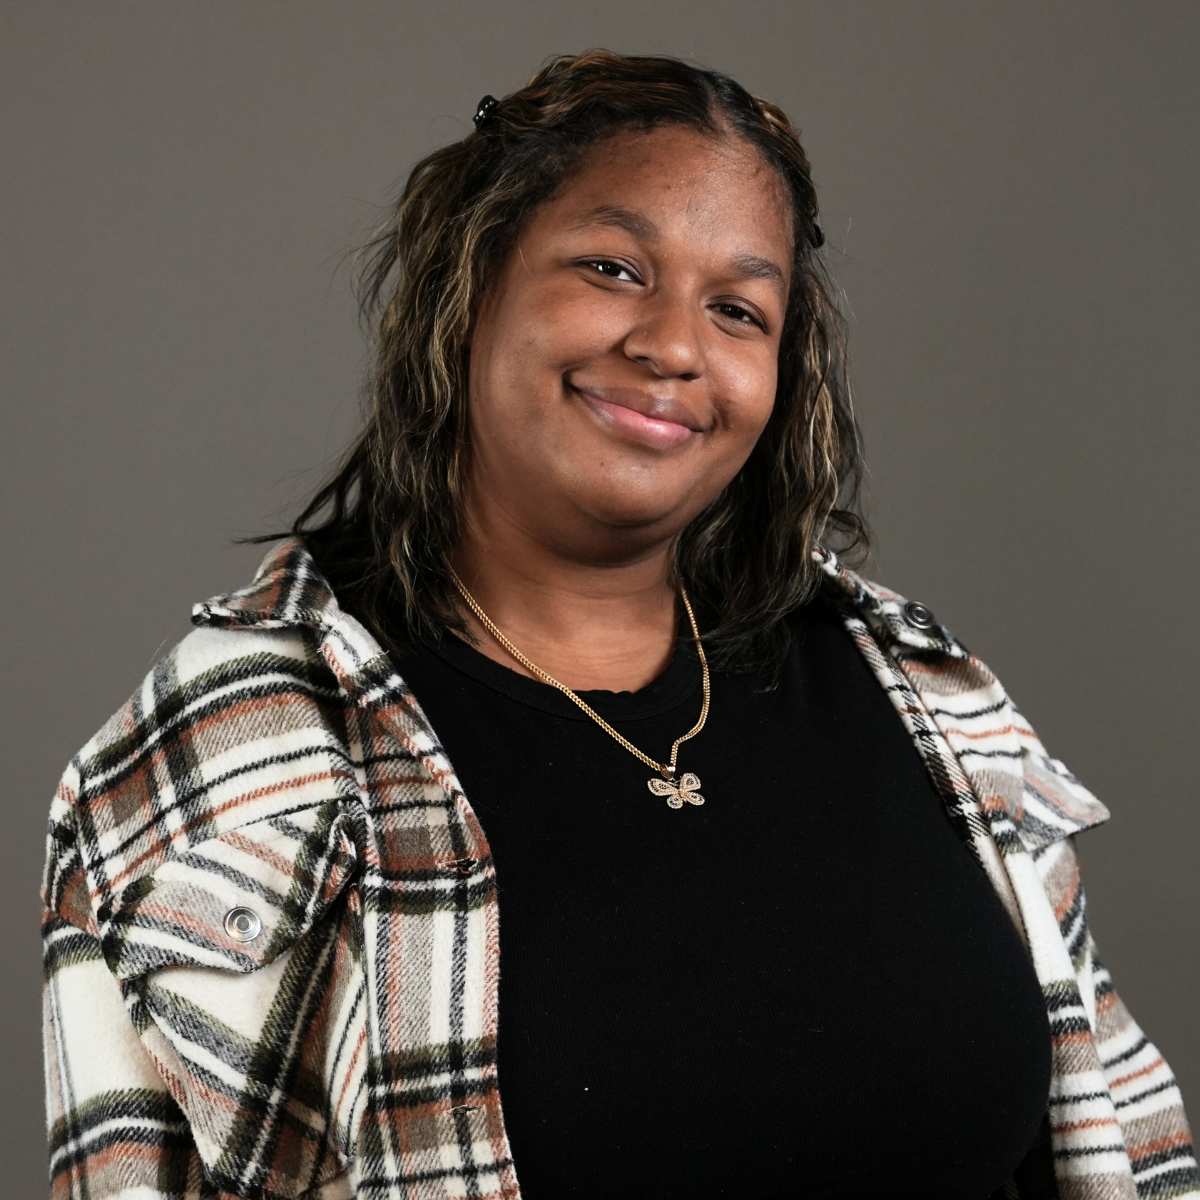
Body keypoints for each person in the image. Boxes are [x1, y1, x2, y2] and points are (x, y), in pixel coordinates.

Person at [41, 50, 1196, 1200]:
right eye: (613, 266)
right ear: (472, 281)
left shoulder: (925, 695)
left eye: (738, 308)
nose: (674, 347)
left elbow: (1132, 1154)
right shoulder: (234, 741)